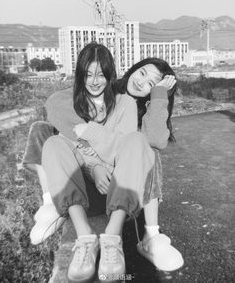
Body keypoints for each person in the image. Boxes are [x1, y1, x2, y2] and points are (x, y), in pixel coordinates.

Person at [22, 50, 183, 280]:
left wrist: (158, 96)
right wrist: (92, 161)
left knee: (147, 148)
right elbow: (59, 105)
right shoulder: (103, 84)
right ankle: (51, 203)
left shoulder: (140, 107)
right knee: (44, 130)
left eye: (151, 84)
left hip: (122, 175)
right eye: (142, 73)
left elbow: (156, 139)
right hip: (88, 167)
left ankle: (151, 234)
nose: (141, 82)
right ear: (131, 70)